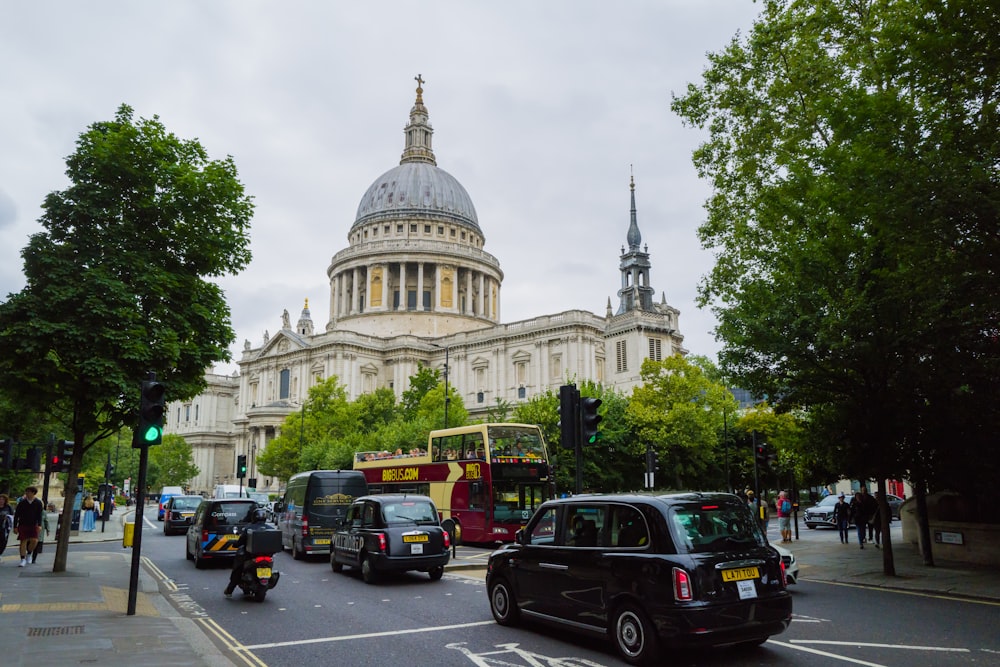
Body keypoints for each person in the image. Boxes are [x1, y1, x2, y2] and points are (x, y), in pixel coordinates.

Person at [225, 507, 272, 597]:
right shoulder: (270, 528)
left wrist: (235, 544)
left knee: (237, 569)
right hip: (267, 556)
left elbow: (241, 541)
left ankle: (230, 589)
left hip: (251, 556)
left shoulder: (248, 528)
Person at [13, 486, 44, 567]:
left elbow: (39, 515)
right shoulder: (22, 503)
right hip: (23, 524)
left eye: (28, 492)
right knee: (23, 541)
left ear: (33, 493)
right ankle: (22, 559)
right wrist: (15, 526)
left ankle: (29, 553)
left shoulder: (38, 502)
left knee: (35, 540)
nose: (27, 493)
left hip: (33, 524)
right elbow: (16, 515)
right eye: (26, 492)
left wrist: (40, 524)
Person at [0, 494, 14, 563]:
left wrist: (7, 517)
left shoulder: (8, 507)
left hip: (5, 527)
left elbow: (12, 516)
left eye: (3, 499)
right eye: (0, 499)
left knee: (3, 541)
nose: (1, 501)